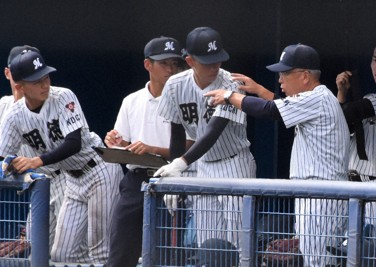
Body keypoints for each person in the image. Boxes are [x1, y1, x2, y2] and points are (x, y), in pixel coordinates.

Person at [205, 43, 350, 267]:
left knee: (320, 262)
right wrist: (259, 90)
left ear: (304, 76)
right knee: (317, 259)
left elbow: (271, 111)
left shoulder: (318, 98)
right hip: (318, 193)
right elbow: (284, 107)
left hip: (322, 195)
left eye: (285, 73)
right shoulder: (314, 99)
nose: (280, 79)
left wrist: (229, 96)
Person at [0, 49, 124, 264]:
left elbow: (73, 143)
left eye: (46, 76)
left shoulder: (63, 96)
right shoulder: (14, 115)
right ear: (20, 86)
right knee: (62, 254)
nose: (45, 84)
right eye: (37, 80)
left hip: (99, 169)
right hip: (73, 179)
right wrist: (9, 165)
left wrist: (35, 161)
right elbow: (3, 155)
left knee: (100, 251)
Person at [154, 26, 257, 254]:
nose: (215, 66)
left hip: (235, 164)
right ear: (190, 61)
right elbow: (177, 133)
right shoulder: (175, 85)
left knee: (240, 247)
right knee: (209, 246)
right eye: (207, 61)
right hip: (202, 167)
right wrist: (174, 175)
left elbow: (213, 131)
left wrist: (180, 164)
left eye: (217, 59)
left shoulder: (231, 84)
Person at [104, 36, 190, 267]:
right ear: (147, 65)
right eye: (164, 63)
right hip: (135, 180)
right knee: (121, 252)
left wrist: (151, 149)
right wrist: (117, 142)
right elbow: (123, 144)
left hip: (171, 180)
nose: (171, 69)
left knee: (165, 256)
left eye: (175, 63)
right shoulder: (132, 100)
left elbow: (194, 146)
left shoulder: (186, 98)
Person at [336, 39, 376, 257]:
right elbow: (341, 127)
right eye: (374, 60)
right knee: (346, 255)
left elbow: (352, 112)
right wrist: (342, 95)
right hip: (353, 186)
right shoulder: (367, 99)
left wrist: (333, 103)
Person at [2, 45, 67, 254]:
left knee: (63, 251)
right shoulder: (4, 107)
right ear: (9, 73)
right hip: (35, 187)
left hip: (62, 178)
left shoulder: (53, 99)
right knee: (32, 248)